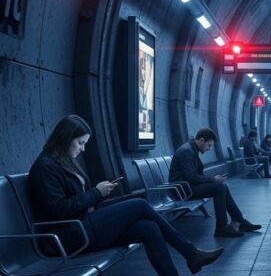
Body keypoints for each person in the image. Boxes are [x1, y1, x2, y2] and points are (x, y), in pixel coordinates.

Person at [28, 115, 223, 275]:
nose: (83, 149)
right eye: (80, 143)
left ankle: (182, 266)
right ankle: (191, 253)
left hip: (83, 224)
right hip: (68, 236)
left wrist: (100, 193)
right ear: (65, 138)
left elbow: (76, 199)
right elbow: (59, 209)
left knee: (149, 228)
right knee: (139, 204)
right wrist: (96, 192)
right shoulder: (45, 167)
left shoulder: (64, 162)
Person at [169, 127, 262, 237]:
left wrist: (214, 180)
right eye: (209, 145)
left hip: (187, 186)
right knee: (219, 188)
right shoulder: (186, 151)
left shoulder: (191, 149)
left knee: (222, 186)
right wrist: (213, 179)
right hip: (182, 190)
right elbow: (192, 177)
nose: (209, 149)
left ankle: (239, 220)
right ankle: (222, 227)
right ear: (202, 140)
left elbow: (193, 176)